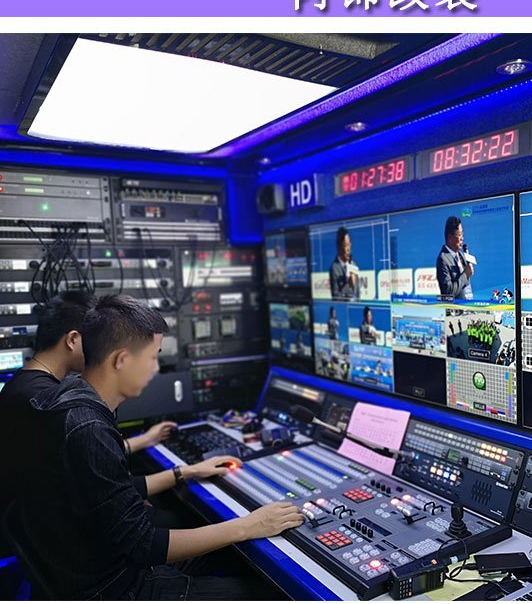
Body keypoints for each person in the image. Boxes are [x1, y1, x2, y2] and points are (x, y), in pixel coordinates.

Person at [16, 294, 303, 600]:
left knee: (236, 555)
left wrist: (185, 472)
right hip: (118, 588)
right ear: (121, 360)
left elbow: (107, 493)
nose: (156, 369)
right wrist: (250, 525)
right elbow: (142, 545)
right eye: (153, 357)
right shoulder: (88, 428)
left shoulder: (72, 398)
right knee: (271, 592)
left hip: (93, 569)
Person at [0, 292, 181, 512]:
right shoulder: (45, 401)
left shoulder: (27, 384)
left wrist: (143, 440)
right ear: (73, 339)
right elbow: (88, 462)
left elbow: (84, 456)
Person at [436, 216, 474, 299]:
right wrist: (465, 275)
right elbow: (448, 292)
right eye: (459, 235)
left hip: (468, 303)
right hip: (455, 306)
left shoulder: (461, 254)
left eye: (462, 234)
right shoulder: (443, 259)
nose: (462, 238)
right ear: (450, 237)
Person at [329, 226, 360, 299]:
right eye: (346, 245)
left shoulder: (353, 265)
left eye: (349, 244)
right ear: (339, 247)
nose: (348, 249)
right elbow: (335, 297)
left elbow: (357, 294)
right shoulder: (334, 268)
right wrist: (348, 285)